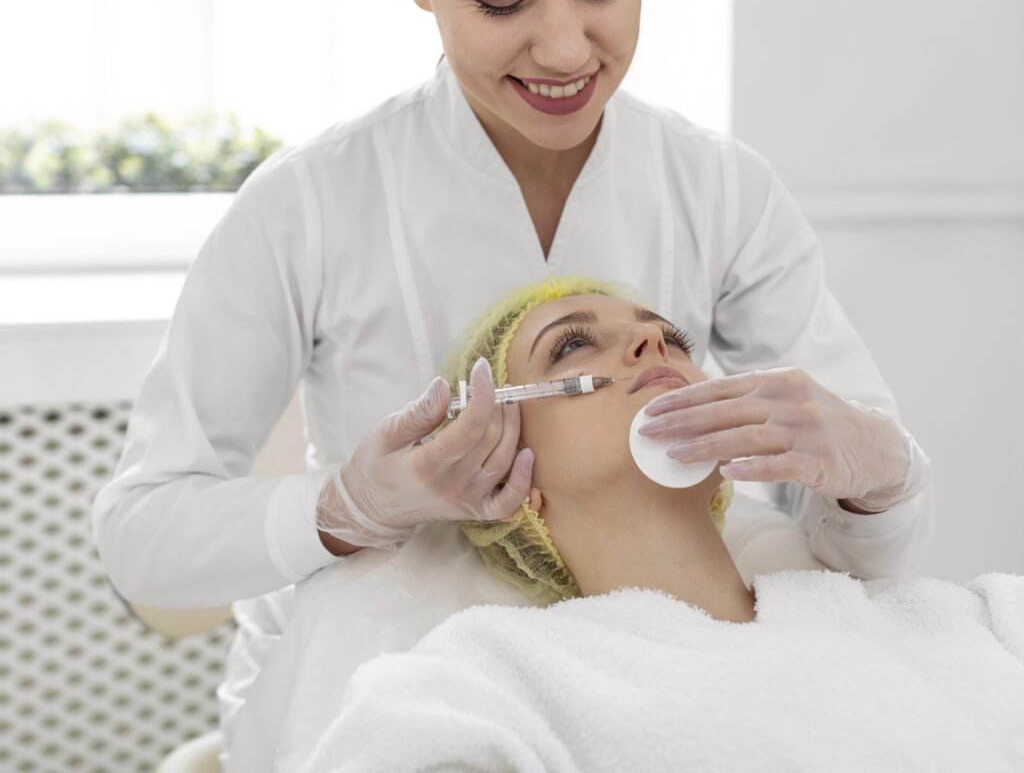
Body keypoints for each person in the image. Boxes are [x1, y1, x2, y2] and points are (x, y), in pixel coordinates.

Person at [91, 0, 934, 764]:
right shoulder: (311, 203)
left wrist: (873, 471)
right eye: (501, 3)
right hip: (381, 674)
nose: (567, 48)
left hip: (676, 682)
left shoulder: (718, 190)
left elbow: (859, 559)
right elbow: (142, 530)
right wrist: (346, 507)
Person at [299, 277, 1022, 773]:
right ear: (505, 476)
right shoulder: (494, 675)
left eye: (670, 337)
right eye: (572, 346)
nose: (654, 346)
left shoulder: (970, 618)